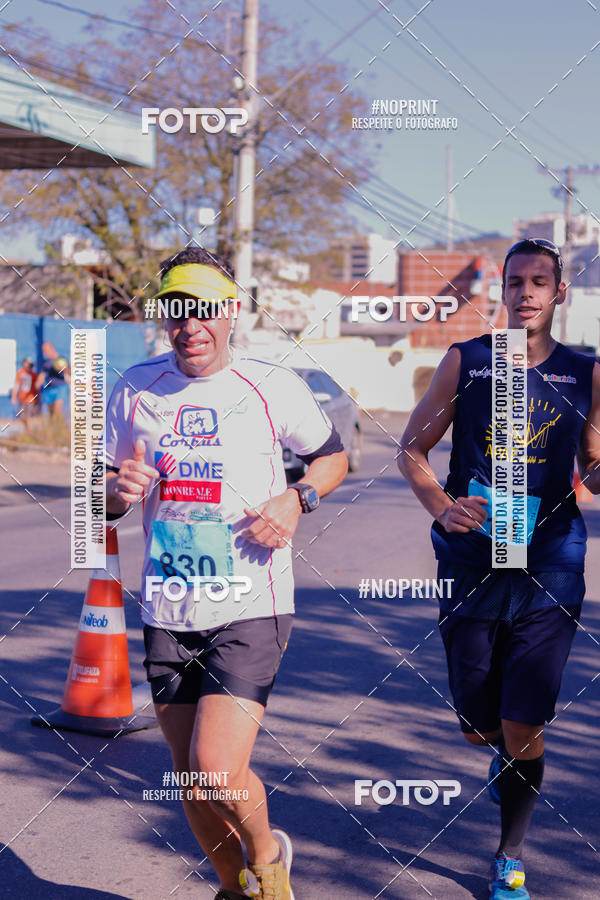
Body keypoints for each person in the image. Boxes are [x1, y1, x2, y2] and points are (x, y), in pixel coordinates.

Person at [104, 247, 348, 900]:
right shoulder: (135, 388)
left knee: (214, 768)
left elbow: (332, 458)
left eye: (205, 311)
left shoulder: (273, 386)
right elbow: (100, 497)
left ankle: (266, 855)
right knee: (190, 779)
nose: (191, 326)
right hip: (168, 607)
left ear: (232, 311)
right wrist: (116, 492)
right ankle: (233, 889)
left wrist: (297, 499)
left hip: (251, 604)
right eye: (176, 310)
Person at [397, 238, 600, 899]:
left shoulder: (586, 371)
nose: (527, 292)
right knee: (479, 728)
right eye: (516, 282)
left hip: (552, 561)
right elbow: (413, 449)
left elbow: (594, 463)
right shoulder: (468, 361)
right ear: (503, 290)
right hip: (472, 563)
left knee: (524, 724)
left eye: (541, 281)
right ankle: (503, 758)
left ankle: (509, 857)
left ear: (559, 292)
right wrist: (443, 506)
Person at [35, 341, 70, 418]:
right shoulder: (46, 363)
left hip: (60, 387)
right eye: (44, 351)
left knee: (57, 411)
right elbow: (42, 374)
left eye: (46, 350)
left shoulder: (62, 359)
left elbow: (70, 372)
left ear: (52, 349)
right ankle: (57, 425)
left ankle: (59, 425)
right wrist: (38, 383)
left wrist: (63, 368)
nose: (45, 353)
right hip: (49, 389)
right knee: (51, 413)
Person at [11, 356, 38, 431]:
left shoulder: (33, 374)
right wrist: (13, 396)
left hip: (31, 398)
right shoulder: (20, 372)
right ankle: (27, 428)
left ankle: (28, 431)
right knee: (21, 416)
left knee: (29, 416)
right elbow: (17, 384)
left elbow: (36, 386)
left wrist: (37, 398)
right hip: (21, 398)